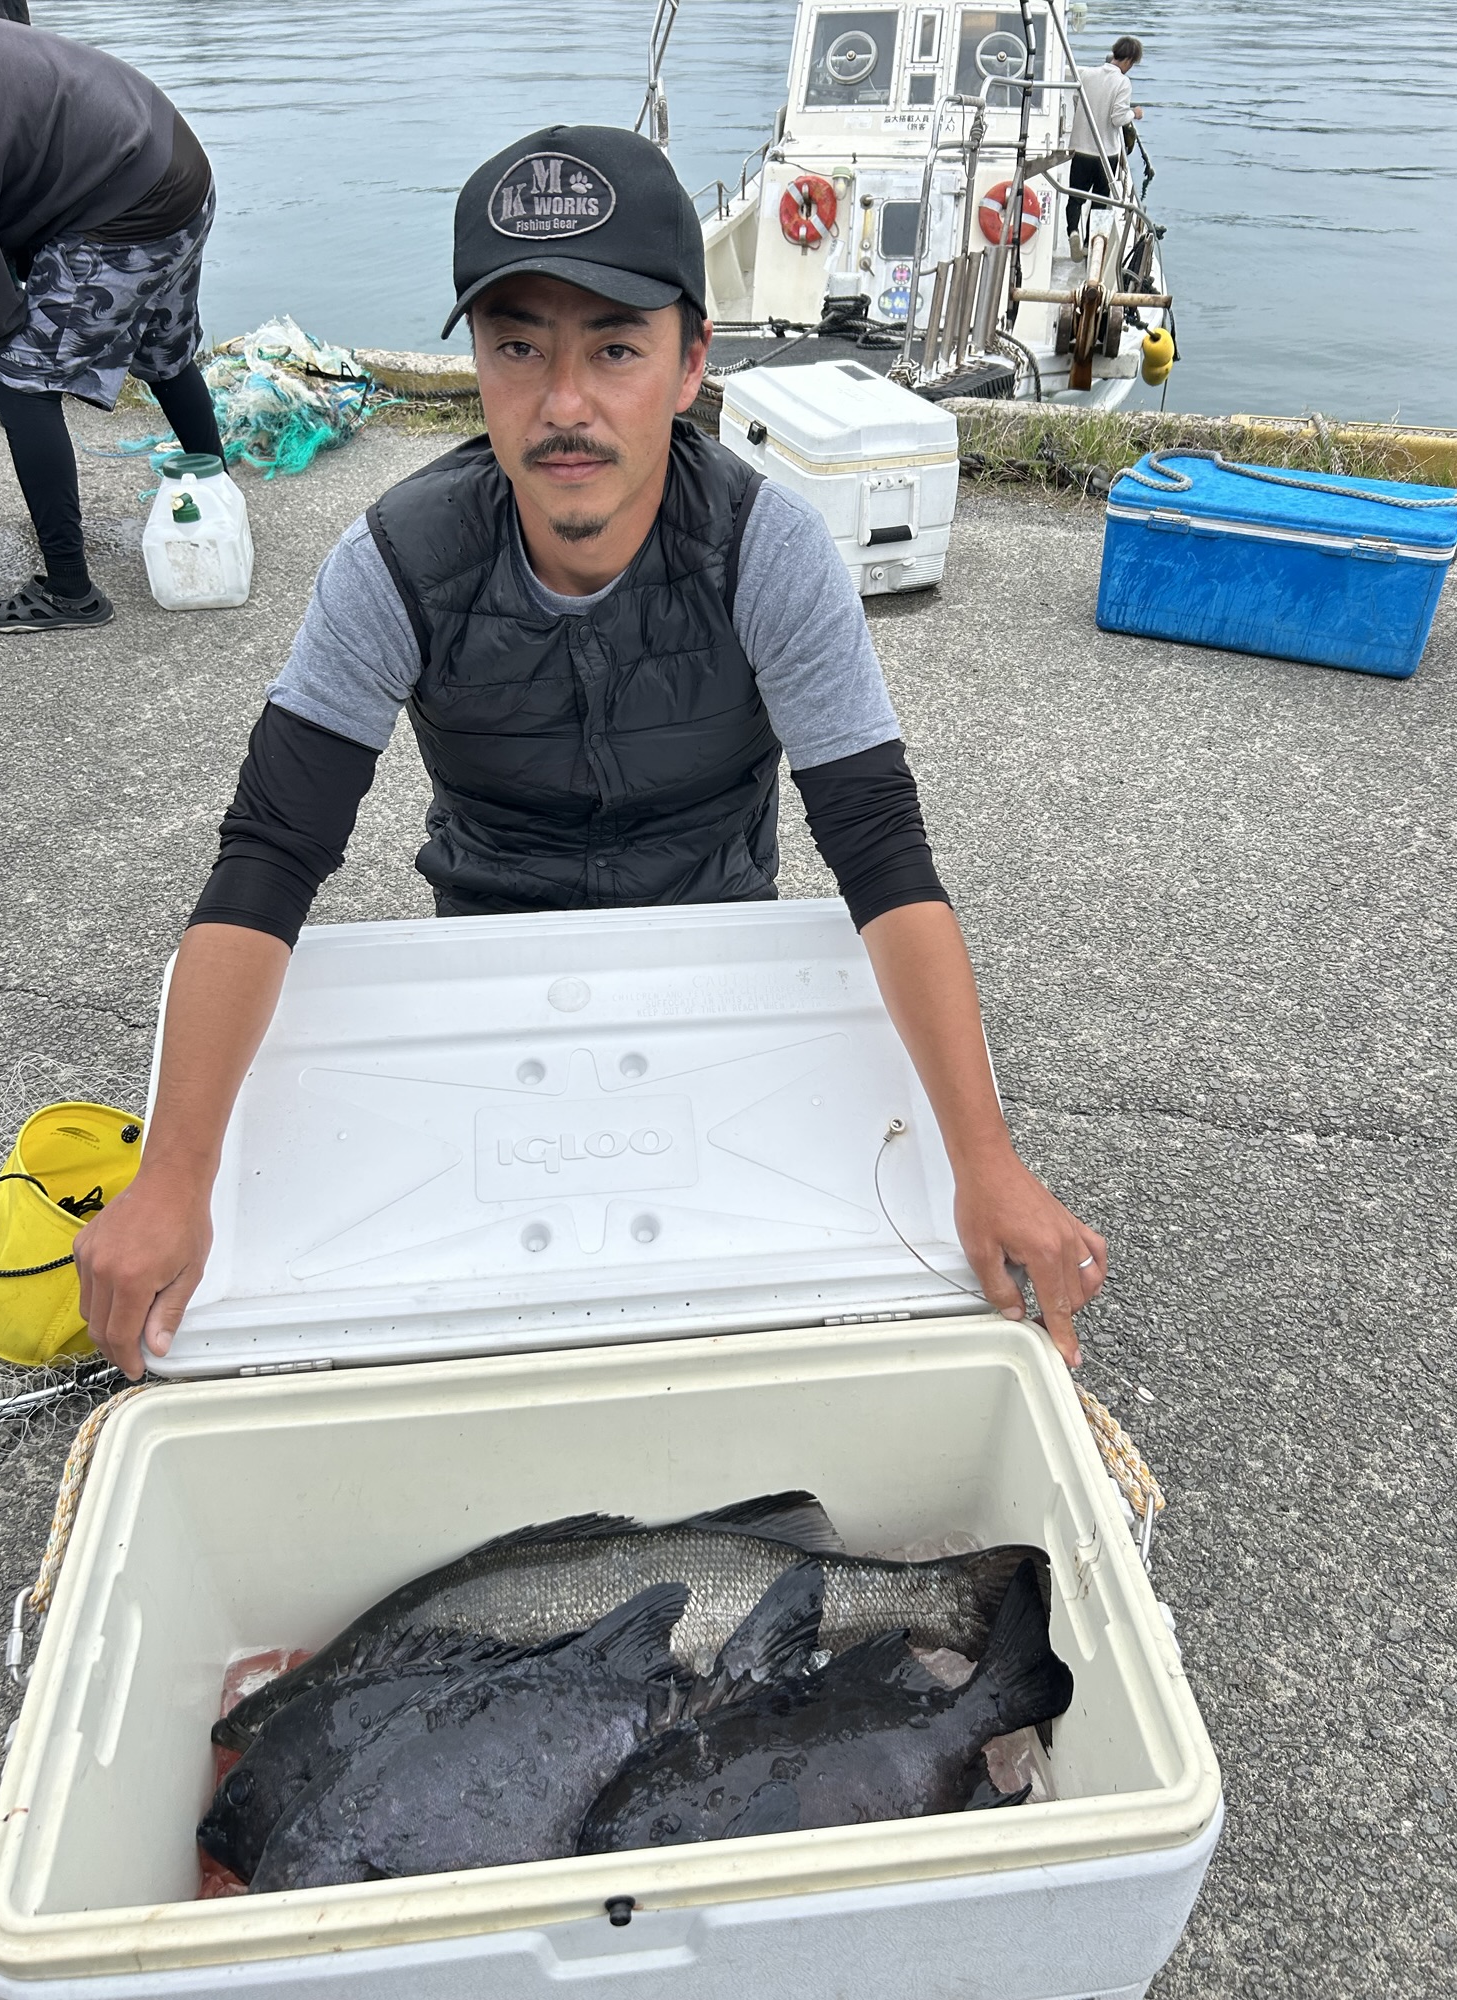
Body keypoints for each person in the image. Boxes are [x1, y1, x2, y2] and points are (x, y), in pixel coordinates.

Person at [72, 124, 1107, 1378]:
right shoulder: (393, 563)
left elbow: (883, 855)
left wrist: (988, 1161)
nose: (565, 404)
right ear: (478, 360)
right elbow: (269, 857)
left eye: (616, 348)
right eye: (519, 347)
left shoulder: (771, 552)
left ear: (690, 363)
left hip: (717, 951)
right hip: (488, 959)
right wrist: (173, 1176)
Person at [0, 18, 225, 633]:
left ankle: (70, 592)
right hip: (177, 166)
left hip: (127, 203)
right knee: (164, 352)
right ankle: (219, 502)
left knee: (18, 377)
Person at [1065, 35, 1144, 260]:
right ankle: (1091, 247)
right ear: (1128, 60)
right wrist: (1134, 113)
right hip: (1106, 152)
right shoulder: (1122, 82)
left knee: (1075, 197)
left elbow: (1076, 100)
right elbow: (1118, 118)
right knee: (1101, 202)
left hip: (1080, 148)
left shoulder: (1088, 75)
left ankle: (1073, 233)